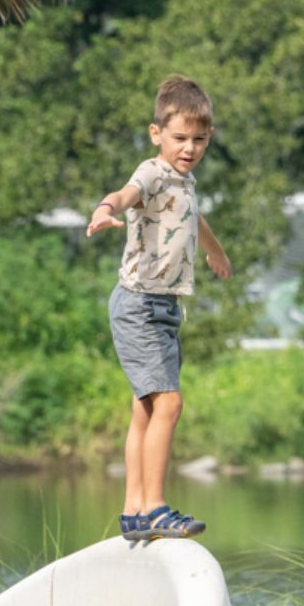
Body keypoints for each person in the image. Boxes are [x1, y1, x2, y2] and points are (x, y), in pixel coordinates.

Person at [86, 74, 232, 541]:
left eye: (200, 140)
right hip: (139, 305)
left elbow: (194, 218)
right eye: (179, 138)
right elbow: (126, 193)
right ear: (157, 134)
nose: (189, 148)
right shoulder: (151, 171)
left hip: (164, 309)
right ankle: (154, 507)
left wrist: (215, 251)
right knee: (168, 403)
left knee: (144, 410)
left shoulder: (185, 183)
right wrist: (105, 208)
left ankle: (133, 510)